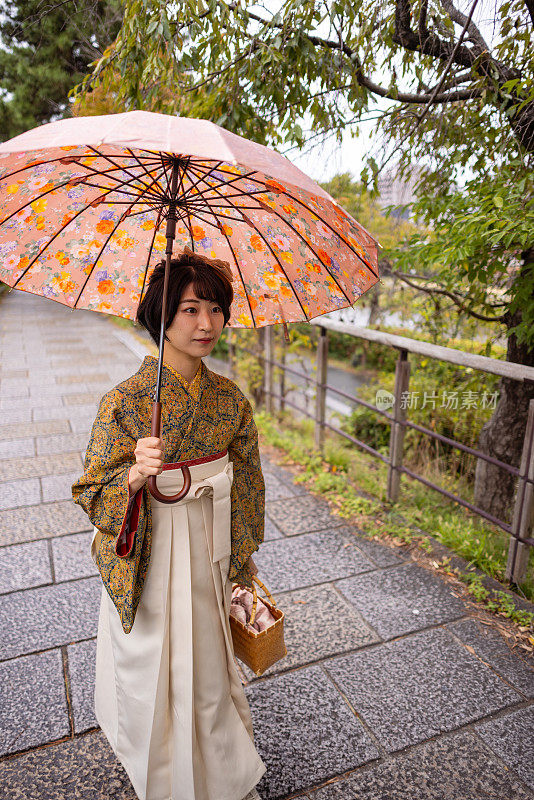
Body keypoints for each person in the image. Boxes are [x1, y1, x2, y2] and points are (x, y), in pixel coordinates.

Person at [72, 246, 266, 800]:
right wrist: (134, 473)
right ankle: (155, 763)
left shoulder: (232, 402)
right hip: (150, 547)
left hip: (208, 541)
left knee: (206, 660)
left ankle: (217, 769)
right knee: (151, 657)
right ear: (161, 317)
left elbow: (248, 482)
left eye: (215, 309)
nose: (206, 324)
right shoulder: (125, 401)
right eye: (188, 309)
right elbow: (91, 490)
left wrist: (242, 558)